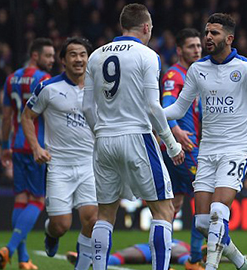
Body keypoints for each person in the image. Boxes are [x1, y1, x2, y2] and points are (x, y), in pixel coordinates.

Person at [164, 13, 247, 270]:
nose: (207, 37)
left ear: (229, 38)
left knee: (219, 211)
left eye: (214, 33)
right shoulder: (198, 70)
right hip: (208, 148)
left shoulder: (245, 67)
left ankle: (211, 267)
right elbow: (178, 108)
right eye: (207, 32)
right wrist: (150, 115)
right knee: (202, 223)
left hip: (237, 147)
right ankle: (242, 264)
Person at [82, 4, 184, 270]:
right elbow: (153, 107)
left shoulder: (95, 56)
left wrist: (101, 132)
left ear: (122, 25)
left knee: (105, 214)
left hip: (103, 140)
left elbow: (85, 107)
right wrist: (172, 146)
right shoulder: (147, 55)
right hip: (137, 136)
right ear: (147, 27)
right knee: (164, 211)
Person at [21, 37, 98, 270]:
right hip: (60, 166)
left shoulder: (100, 89)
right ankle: (50, 234)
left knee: (92, 220)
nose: (78, 59)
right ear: (63, 60)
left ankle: (82, 266)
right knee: (61, 224)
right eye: (73, 55)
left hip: (90, 165)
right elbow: (26, 116)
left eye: (83, 54)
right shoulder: (49, 88)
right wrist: (36, 147)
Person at [0, 38, 55, 270]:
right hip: (37, 145)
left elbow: (7, 117)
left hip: (17, 144)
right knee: (38, 201)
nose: (51, 60)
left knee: (20, 200)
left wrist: (5, 145)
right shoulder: (44, 80)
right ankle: (9, 248)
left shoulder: (11, 79)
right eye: (48, 56)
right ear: (35, 56)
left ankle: (22, 259)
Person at [160, 28, 204, 270]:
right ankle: (195, 258)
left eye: (198, 46)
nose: (197, 50)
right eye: (191, 46)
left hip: (183, 146)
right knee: (205, 196)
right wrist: (175, 130)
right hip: (184, 148)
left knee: (174, 204)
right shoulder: (175, 76)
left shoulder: (194, 76)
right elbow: (166, 105)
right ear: (179, 50)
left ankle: (163, 255)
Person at [66, 240, 247, 266]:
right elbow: (204, 256)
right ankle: (88, 260)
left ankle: (87, 260)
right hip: (175, 250)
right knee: (190, 261)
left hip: (148, 246)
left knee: (121, 257)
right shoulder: (186, 248)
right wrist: (241, 259)